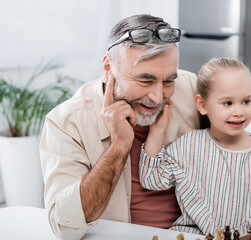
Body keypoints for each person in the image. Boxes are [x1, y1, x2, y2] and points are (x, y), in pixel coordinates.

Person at [39, 14, 200, 239]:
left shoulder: (191, 89)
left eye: (168, 81)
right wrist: (119, 147)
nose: (156, 97)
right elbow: (65, 228)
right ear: (108, 68)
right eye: (145, 80)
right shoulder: (66, 123)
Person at [139, 58, 251, 237]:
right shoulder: (188, 146)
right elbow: (151, 179)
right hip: (193, 235)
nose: (239, 111)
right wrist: (157, 133)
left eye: (246, 101)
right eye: (228, 103)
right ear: (202, 105)